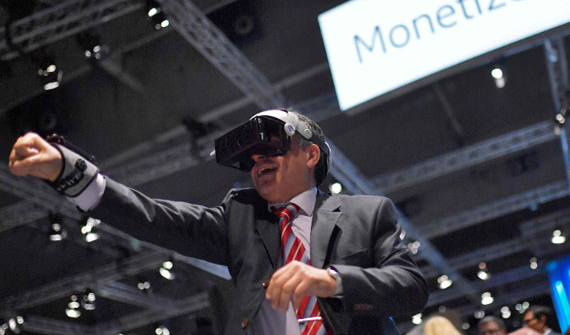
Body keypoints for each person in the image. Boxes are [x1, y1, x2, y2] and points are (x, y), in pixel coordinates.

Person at [8, 109, 428, 335]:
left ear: (310, 155)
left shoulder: (367, 212)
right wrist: (69, 171)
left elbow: (410, 292)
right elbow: (153, 217)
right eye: (249, 159)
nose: (256, 163)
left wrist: (332, 280)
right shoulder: (240, 218)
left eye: (270, 150)